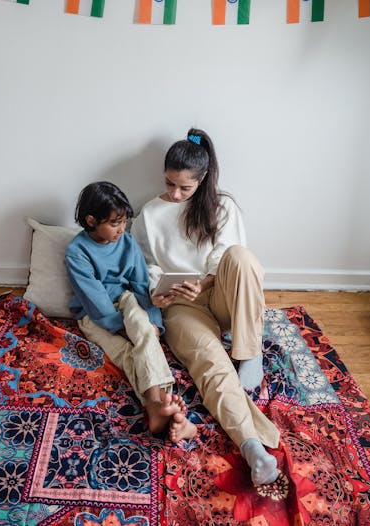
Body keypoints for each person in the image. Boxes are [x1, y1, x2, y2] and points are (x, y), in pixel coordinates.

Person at [131, 129, 280, 485]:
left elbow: (226, 258)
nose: (175, 193)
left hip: (221, 296)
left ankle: (249, 349)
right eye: (170, 184)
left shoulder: (222, 205)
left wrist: (205, 282)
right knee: (211, 365)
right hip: (182, 306)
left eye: (185, 187)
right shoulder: (149, 214)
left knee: (241, 258)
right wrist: (157, 295)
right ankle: (253, 449)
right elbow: (148, 267)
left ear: (202, 179)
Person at [65, 180, 197, 441]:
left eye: (124, 221)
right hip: (92, 314)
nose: (121, 229)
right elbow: (96, 302)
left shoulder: (127, 241)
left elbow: (140, 286)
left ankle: (156, 406)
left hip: (128, 300)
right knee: (126, 352)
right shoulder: (76, 252)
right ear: (91, 220)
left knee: (145, 331)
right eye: (114, 223)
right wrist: (125, 331)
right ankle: (158, 405)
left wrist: (154, 323)